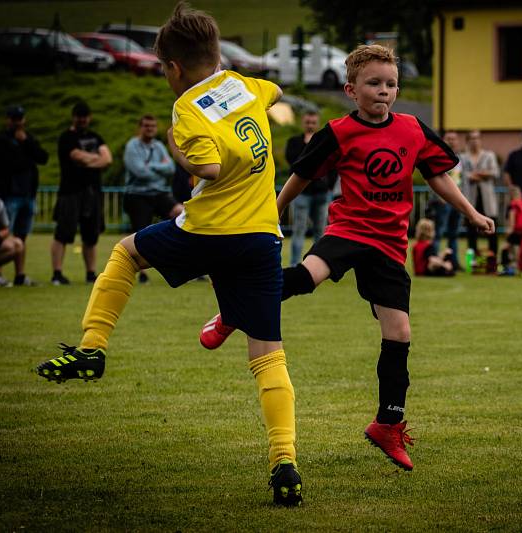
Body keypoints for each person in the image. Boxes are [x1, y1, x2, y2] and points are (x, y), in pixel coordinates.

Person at [34, 3, 301, 507]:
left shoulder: (186, 108)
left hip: (209, 230)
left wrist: (183, 147)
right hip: (263, 235)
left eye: (162, 68)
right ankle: (284, 463)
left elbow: (209, 168)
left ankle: (92, 348)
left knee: (127, 252)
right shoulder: (244, 85)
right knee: (269, 353)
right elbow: (276, 91)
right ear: (217, 54)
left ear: (173, 68)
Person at [201, 44, 494, 472]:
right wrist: (276, 211)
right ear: (351, 90)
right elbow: (301, 175)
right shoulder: (339, 132)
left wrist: (471, 212)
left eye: (391, 84)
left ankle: (388, 425)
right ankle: (233, 309)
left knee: (400, 333)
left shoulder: (413, 129)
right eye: (374, 83)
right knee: (306, 276)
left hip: (391, 245)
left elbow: (437, 175)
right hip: (349, 230)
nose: (384, 91)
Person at [51, 101, 112, 285]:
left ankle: (90, 273)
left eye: (85, 117)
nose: (82, 120)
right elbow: (76, 156)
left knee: (91, 234)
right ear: (74, 117)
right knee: (63, 233)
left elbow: (107, 159)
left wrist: (88, 160)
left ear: (89, 118)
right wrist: (96, 159)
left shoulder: (96, 137)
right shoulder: (66, 137)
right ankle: (57, 273)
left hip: (92, 192)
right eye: (79, 116)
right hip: (70, 191)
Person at [0, 104, 48, 286]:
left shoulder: (27, 138)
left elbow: (43, 158)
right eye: (14, 119)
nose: (17, 122)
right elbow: (7, 164)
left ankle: (20, 275)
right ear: (7, 120)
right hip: (9, 196)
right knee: (4, 236)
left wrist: (26, 143)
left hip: (27, 195)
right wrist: (25, 154)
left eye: (20, 119)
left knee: (22, 237)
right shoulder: (0, 140)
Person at [123, 114, 182, 283]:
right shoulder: (132, 146)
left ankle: (184, 264)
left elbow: (170, 168)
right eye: (146, 126)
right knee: (140, 233)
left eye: (153, 126)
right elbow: (139, 172)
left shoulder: (158, 146)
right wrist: (158, 169)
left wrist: (151, 167)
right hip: (138, 194)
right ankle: (142, 274)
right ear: (139, 128)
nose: (150, 129)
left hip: (159, 193)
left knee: (182, 215)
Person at [284, 110, 332, 266]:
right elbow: (294, 161)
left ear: (317, 123)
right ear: (303, 123)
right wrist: (309, 144)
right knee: (299, 230)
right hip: (301, 193)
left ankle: (318, 265)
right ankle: (294, 264)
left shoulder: (323, 140)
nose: (310, 125)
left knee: (320, 231)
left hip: (321, 192)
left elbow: (333, 165)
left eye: (313, 122)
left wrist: (329, 186)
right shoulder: (294, 142)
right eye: (308, 122)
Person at [461, 129, 499, 272]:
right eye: (471, 138)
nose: (474, 141)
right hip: (470, 201)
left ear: (481, 140)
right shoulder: (463, 158)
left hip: (487, 201)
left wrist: (476, 174)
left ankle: (492, 265)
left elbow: (495, 172)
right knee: (471, 235)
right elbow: (461, 175)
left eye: (477, 138)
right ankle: (473, 266)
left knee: (492, 234)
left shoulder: (489, 155)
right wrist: (480, 175)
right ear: (467, 141)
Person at [429, 130, 462, 268]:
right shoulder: (438, 156)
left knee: (454, 233)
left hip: (458, 201)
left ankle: (453, 261)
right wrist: (440, 196)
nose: (451, 141)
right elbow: (432, 177)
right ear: (443, 140)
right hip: (442, 201)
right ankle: (433, 261)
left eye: (454, 139)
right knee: (438, 232)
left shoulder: (460, 159)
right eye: (448, 139)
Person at [499, 186, 522, 274]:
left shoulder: (513, 205)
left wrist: (509, 231)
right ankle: (521, 268)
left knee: (504, 248)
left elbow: (512, 220)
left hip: (517, 232)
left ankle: (504, 268)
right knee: (521, 252)